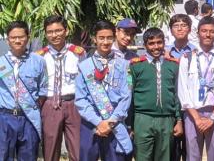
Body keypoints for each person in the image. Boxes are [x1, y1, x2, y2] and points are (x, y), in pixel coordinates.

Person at [178, 16, 214, 161]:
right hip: (192, 114)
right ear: (198, 33)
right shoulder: (187, 58)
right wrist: (197, 118)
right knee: (193, 156)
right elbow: (183, 90)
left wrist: (212, 118)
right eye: (204, 31)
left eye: (212, 31)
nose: (208, 35)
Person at [76, 20, 133, 161]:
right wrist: (98, 122)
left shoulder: (124, 65)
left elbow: (126, 96)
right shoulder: (84, 66)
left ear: (114, 38)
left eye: (109, 38)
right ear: (94, 39)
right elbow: (80, 99)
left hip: (115, 121)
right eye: (101, 38)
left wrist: (111, 122)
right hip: (90, 121)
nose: (105, 42)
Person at [128, 27, 183, 161]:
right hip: (143, 119)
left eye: (159, 42)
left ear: (164, 43)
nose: (156, 47)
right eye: (151, 43)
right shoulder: (136, 66)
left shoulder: (174, 66)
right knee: (142, 156)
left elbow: (177, 94)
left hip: (166, 119)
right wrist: (130, 124)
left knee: (165, 157)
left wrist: (179, 120)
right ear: (145, 45)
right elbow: (130, 96)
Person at [36, 15, 85, 161]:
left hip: (74, 104)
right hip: (50, 104)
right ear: (46, 34)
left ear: (66, 31)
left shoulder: (78, 53)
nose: (54, 35)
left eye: (58, 30)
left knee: (77, 149)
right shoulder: (39, 57)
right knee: (50, 149)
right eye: (50, 32)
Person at [0, 21, 47, 159]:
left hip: (29, 118)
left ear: (28, 37)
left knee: (29, 156)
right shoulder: (1, 63)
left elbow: (43, 90)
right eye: (13, 37)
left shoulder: (38, 61)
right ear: (8, 40)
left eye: (21, 37)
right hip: (5, 118)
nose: (17, 40)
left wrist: (29, 107)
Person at [165, 13, 195, 161]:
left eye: (183, 25)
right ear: (171, 30)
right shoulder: (164, 51)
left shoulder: (196, 51)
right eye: (176, 26)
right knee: (173, 145)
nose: (180, 29)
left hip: (190, 103)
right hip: (171, 102)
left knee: (190, 145)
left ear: (189, 29)